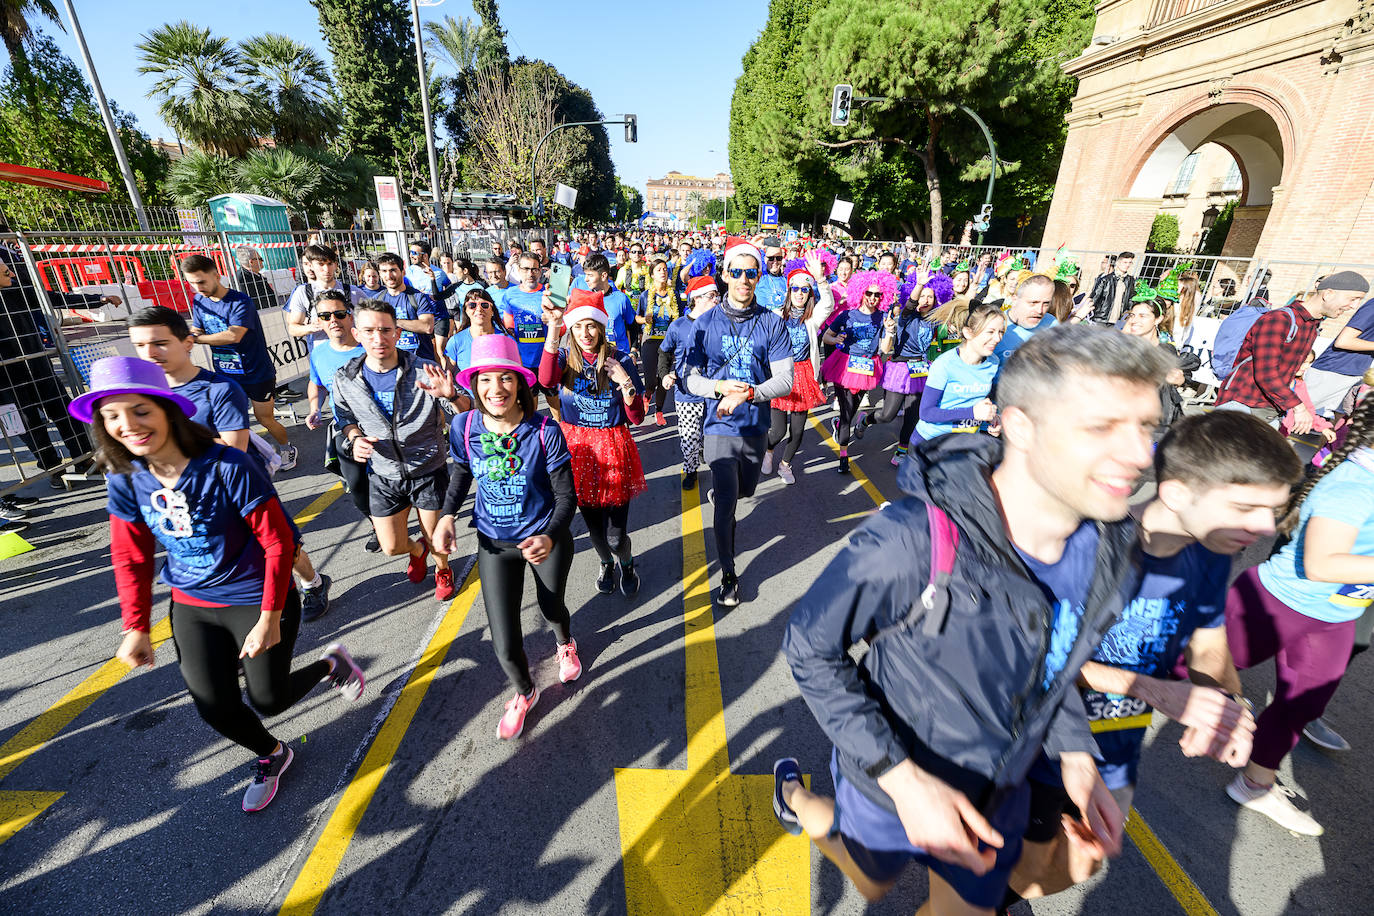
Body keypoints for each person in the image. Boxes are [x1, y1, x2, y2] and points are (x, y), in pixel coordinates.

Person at [775, 325, 1171, 916]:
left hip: (999, 791)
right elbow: (809, 647)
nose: (1142, 456)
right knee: (871, 879)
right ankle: (796, 798)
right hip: (887, 781)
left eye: (1147, 427)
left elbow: (1048, 662)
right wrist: (905, 781)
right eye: (1102, 428)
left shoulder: (1111, 544)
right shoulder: (915, 537)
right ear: (1020, 426)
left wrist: (1077, 757)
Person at [1010, 411, 1301, 904]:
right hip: (1037, 750)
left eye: (1272, 510)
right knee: (1015, 879)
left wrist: (1227, 705)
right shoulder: (1080, 544)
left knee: (1074, 866)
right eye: (1247, 507)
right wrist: (1150, 687)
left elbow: (1209, 643)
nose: (1266, 527)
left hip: (1118, 752)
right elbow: (1029, 661)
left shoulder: (1210, 552)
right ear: (1179, 492)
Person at [71, 356, 365, 813]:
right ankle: (272, 754)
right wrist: (135, 626)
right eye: (111, 416)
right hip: (192, 602)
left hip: (257, 596)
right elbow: (131, 555)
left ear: (166, 408)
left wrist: (269, 618)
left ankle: (331, 666)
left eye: (140, 410)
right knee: (213, 703)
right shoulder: (126, 478)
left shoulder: (226, 463)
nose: (127, 425)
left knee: (269, 699)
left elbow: (278, 541)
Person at [1223, 392, 1374, 836]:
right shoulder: (1357, 484)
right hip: (1275, 605)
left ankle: (1254, 785)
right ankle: (1075, 709)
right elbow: (1321, 563)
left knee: (1301, 705)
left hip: (1336, 615)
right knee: (1180, 668)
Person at [126, 306, 332, 619]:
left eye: (160, 343)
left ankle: (312, 583)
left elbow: (234, 447)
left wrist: (168, 443)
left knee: (281, 545)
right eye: (140, 345)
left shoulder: (218, 389)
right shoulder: (143, 396)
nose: (150, 352)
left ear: (188, 343)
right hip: (181, 492)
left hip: (239, 484)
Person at [433, 334, 580, 740]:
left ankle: (565, 642)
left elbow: (567, 496)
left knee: (552, 610)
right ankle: (525, 692)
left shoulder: (545, 430)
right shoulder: (463, 427)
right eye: (484, 380)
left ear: (519, 383)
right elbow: (461, 473)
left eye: (504, 379)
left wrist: (550, 536)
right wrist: (447, 516)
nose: (495, 389)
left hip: (544, 540)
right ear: (474, 384)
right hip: (494, 545)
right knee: (504, 642)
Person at [681, 238, 793, 607]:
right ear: (725, 275)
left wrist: (749, 394)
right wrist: (716, 387)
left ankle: (730, 496)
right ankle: (729, 574)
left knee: (746, 491)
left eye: (751, 272)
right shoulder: (704, 323)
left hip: (755, 425)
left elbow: (785, 380)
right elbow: (690, 379)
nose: (744, 279)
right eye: (737, 272)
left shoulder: (772, 324)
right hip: (718, 427)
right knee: (726, 503)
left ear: (759, 277)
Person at [330, 299, 460, 601]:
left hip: (427, 468)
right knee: (390, 546)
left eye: (386, 330)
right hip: (383, 472)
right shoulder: (345, 377)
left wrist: (451, 395)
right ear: (356, 333)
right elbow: (344, 418)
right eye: (370, 331)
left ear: (398, 333)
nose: (379, 338)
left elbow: (464, 410)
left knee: (436, 538)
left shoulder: (424, 370)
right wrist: (354, 438)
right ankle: (417, 551)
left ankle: (442, 568)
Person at [538, 289, 648, 597]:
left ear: (601, 327)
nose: (585, 333)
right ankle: (605, 563)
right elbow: (545, 381)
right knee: (594, 529)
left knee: (615, 535)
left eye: (591, 325)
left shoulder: (620, 359)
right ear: (571, 328)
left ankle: (625, 563)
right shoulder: (563, 358)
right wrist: (553, 327)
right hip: (579, 450)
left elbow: (637, 417)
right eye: (578, 326)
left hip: (614, 448)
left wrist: (625, 382)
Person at [180, 254, 297, 471]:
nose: (198, 287)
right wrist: (188, 335)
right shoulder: (199, 301)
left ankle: (287, 448)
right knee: (232, 423)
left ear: (216, 276)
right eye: (192, 283)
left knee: (265, 419)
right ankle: (246, 461)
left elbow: (233, 336)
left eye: (202, 281)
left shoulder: (240, 301)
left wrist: (194, 339)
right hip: (226, 375)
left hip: (257, 372)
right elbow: (198, 327)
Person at [1216, 271, 1368, 427]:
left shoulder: (1311, 326)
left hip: (1269, 411)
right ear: (1328, 294)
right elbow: (1266, 374)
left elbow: (1287, 376)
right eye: (1353, 299)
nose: (1354, 306)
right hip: (1242, 406)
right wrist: (1299, 408)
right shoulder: (1280, 320)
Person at [0, 259, 91, 494]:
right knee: (28, 424)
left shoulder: (18, 291)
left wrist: (96, 299)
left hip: (38, 365)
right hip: (6, 379)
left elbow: (53, 298)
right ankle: (52, 468)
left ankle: (83, 457)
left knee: (63, 410)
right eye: (5, 271)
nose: (11, 273)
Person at [303, 291, 376, 553]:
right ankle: (376, 524)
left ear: (350, 315)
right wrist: (314, 408)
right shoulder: (320, 353)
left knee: (389, 482)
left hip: (379, 426)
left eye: (339, 313)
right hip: (344, 428)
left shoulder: (369, 347)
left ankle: (395, 521)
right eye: (325, 315)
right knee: (357, 486)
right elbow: (317, 384)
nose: (333, 320)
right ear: (319, 321)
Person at [763, 258, 836, 484]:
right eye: (795, 289)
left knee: (797, 431)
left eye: (805, 289)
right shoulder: (775, 315)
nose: (800, 293)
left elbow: (829, 305)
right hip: (779, 374)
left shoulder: (812, 318)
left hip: (803, 375)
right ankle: (768, 451)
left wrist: (821, 280)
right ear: (789, 291)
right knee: (777, 431)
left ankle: (785, 465)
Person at [860, 277, 940, 466]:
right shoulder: (906, 316)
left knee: (913, 415)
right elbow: (911, 304)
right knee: (888, 415)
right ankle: (865, 421)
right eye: (922, 296)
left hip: (920, 369)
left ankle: (902, 450)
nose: (925, 300)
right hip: (900, 368)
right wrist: (919, 285)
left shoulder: (935, 319)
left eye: (930, 297)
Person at [822, 272, 893, 474]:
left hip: (867, 367)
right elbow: (827, 336)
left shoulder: (883, 317)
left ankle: (839, 425)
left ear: (883, 296)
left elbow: (886, 349)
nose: (872, 298)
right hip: (844, 365)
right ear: (861, 293)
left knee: (851, 410)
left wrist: (889, 332)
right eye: (869, 293)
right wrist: (836, 341)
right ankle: (843, 456)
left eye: (877, 295)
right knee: (846, 415)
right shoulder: (848, 315)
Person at [913, 304, 1005, 445]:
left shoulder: (993, 362)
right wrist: (972, 413)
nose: (998, 339)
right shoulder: (945, 364)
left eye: (1001, 332)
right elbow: (926, 413)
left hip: (964, 444)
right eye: (990, 332)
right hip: (930, 445)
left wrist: (993, 418)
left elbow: (982, 399)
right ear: (968, 333)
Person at [660, 277, 721, 489]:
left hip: (715, 390)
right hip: (686, 392)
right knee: (689, 436)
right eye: (712, 296)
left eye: (716, 296)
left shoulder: (720, 323)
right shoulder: (678, 326)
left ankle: (707, 452)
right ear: (696, 298)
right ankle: (691, 469)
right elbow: (665, 352)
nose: (716, 300)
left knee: (712, 432)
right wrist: (665, 374)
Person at [1120, 289, 1199, 432]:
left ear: (1158, 319)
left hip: (1158, 422)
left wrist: (1180, 380)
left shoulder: (1166, 349)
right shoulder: (1126, 348)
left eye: (1143, 316)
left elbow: (1180, 376)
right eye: (1132, 315)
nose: (1135, 320)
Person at [1303, 291, 1374, 417]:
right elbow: (1343, 341)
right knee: (1297, 420)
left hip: (1356, 375)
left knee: (1330, 429)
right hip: (1333, 371)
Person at [372, 252, 447, 364]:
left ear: (403, 272)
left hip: (420, 362)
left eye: (393, 270)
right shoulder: (376, 301)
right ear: (380, 274)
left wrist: (392, 322)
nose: (388, 276)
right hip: (391, 363)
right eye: (384, 271)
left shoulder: (418, 297)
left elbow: (427, 326)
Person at [285, 244, 366, 346]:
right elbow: (293, 328)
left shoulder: (353, 292)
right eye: (321, 264)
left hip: (354, 353)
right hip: (323, 356)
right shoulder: (303, 292)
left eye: (329, 264)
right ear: (311, 266)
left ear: (335, 265)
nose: (326, 269)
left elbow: (373, 318)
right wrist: (311, 327)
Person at [637, 259, 678, 425]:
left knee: (664, 379)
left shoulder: (673, 295)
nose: (663, 272)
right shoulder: (646, 295)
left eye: (665, 269)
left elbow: (679, 318)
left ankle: (659, 411)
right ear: (652, 275)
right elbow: (636, 317)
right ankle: (647, 395)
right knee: (650, 381)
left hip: (667, 343)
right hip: (649, 340)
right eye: (659, 270)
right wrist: (644, 319)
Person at [445, 287, 509, 387]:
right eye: (472, 305)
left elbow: (516, 377)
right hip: (468, 400)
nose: (479, 309)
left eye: (484, 305)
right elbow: (448, 376)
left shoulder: (507, 340)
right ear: (465, 310)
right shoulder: (456, 341)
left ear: (492, 311)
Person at [576, 253, 636, 354]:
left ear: (603, 276)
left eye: (590, 275)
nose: (586, 279)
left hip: (619, 356)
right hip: (596, 356)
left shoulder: (621, 298)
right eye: (585, 275)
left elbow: (632, 325)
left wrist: (633, 351)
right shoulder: (585, 299)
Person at [992, 275, 1057, 363]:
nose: (1040, 310)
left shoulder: (1052, 324)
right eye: (1033, 303)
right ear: (1014, 300)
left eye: (1046, 304)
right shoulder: (993, 325)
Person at [1085, 252, 1135, 325]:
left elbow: (1131, 300)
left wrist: (1128, 315)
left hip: (1118, 322)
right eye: (1125, 262)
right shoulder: (1105, 280)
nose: (1127, 265)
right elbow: (1094, 298)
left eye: (1130, 262)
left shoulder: (1131, 281)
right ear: (1118, 263)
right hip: (1101, 319)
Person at [755, 240, 789, 314]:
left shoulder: (788, 280)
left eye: (778, 258)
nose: (775, 261)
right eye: (771, 258)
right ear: (765, 259)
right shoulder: (757, 278)